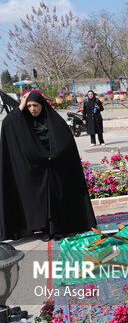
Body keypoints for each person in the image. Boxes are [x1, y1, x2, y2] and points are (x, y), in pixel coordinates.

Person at [0, 92, 96, 241]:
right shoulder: (24, 121)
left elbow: (65, 141)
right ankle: (46, 229)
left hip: (54, 167)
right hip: (37, 170)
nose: (32, 109)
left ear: (42, 106)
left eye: (35, 106)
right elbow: (7, 125)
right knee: (42, 202)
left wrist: (54, 155)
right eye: (30, 106)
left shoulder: (53, 120)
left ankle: (58, 229)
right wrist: (20, 106)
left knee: (57, 199)